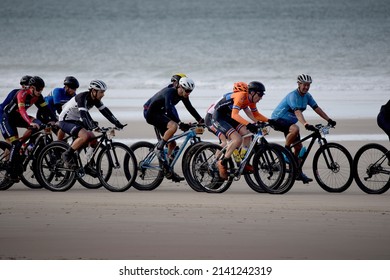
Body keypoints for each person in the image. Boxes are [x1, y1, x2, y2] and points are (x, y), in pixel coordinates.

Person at [269, 74, 337, 183]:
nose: (306, 87)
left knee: (299, 148)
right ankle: (286, 151)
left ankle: (296, 172)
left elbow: (317, 108)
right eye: (304, 85)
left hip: (289, 123)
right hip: (278, 119)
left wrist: (328, 119)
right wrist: (305, 124)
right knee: (295, 129)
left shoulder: (307, 96)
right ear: (299, 84)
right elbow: (297, 112)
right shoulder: (293, 96)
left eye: (308, 85)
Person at [143, 76, 204, 182]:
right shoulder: (170, 92)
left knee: (172, 144)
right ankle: (159, 148)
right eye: (187, 91)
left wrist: (200, 120)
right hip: (151, 113)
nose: (188, 93)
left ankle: (167, 168)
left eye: (191, 91)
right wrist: (180, 123)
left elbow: (190, 108)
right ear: (181, 87)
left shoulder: (183, 95)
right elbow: (169, 109)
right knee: (174, 126)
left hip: (160, 114)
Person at [0, 76, 57, 182]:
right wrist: (30, 122)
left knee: (38, 124)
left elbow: (45, 109)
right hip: (7, 119)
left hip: (18, 118)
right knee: (15, 144)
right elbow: (22, 111)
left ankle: (25, 145)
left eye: (42, 89)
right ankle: (10, 170)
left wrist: (54, 120)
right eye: (39, 89)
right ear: (31, 88)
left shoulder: (38, 96)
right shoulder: (22, 94)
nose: (40, 92)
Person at [58, 79, 125, 168]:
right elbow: (84, 114)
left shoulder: (95, 99)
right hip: (65, 121)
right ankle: (66, 154)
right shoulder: (82, 97)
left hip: (76, 121)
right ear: (94, 91)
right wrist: (92, 126)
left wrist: (117, 123)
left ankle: (88, 163)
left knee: (93, 139)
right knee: (85, 136)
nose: (103, 95)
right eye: (101, 92)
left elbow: (106, 112)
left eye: (103, 92)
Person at [212, 81, 269, 180]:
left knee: (248, 134)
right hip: (219, 118)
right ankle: (222, 162)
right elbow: (235, 115)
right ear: (252, 93)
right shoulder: (241, 96)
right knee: (237, 139)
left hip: (229, 117)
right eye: (259, 94)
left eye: (262, 95)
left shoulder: (250, 100)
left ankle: (242, 160)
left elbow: (255, 115)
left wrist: (270, 120)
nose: (261, 97)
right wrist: (249, 124)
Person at [37, 76, 80, 140]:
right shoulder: (58, 91)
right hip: (44, 113)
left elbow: (74, 110)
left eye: (75, 89)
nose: (74, 91)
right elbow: (58, 108)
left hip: (52, 114)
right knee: (60, 128)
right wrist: (59, 120)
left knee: (62, 135)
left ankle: (57, 145)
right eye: (73, 88)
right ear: (66, 87)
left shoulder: (73, 95)